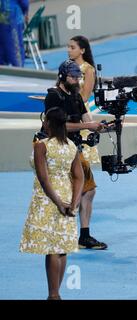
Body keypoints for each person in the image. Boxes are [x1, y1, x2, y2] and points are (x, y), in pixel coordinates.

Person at [20, 107, 84, 300]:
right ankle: (56, 293)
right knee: (61, 247)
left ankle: (53, 295)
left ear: (48, 123)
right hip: (67, 195)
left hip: (49, 199)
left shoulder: (41, 145)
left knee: (51, 249)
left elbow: (44, 179)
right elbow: (79, 177)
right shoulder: (72, 146)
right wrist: (74, 203)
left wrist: (58, 202)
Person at [44, 59, 108, 249]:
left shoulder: (76, 96)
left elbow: (88, 120)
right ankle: (61, 232)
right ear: (63, 77)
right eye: (73, 77)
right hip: (57, 148)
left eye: (79, 77)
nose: (77, 81)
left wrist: (105, 127)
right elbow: (59, 125)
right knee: (61, 190)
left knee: (88, 190)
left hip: (74, 148)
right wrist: (88, 126)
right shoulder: (53, 96)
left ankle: (84, 236)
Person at [67, 36, 107, 250]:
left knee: (82, 182)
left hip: (80, 116)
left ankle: (81, 232)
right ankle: (80, 233)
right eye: (68, 47)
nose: (69, 50)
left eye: (72, 47)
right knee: (81, 183)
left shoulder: (87, 69)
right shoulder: (68, 68)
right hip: (72, 119)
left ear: (82, 50)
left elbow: (84, 97)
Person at [0, 0, 28, 67]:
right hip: (12, 20)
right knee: (15, 53)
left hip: (5, 19)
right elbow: (24, 4)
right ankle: (19, 72)